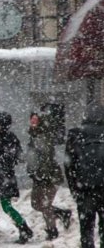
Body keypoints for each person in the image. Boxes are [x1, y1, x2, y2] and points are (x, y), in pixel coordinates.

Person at [0, 111, 33, 244]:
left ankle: (22, 229)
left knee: (0, 204)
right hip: (1, 176)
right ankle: (21, 229)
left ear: (1, 124)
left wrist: (0, 162)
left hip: (1, 176)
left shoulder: (6, 138)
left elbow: (15, 157)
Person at [26, 111, 72, 240]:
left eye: (35, 119)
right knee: (36, 204)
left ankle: (52, 231)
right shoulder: (34, 135)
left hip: (48, 176)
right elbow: (33, 157)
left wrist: (42, 175)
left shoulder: (43, 136)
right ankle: (62, 213)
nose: (33, 121)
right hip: (38, 176)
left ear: (40, 121)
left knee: (45, 205)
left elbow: (45, 158)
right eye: (32, 119)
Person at [64, 104, 104, 248]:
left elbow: (68, 166)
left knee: (86, 229)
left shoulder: (76, 135)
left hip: (85, 190)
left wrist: (74, 189)